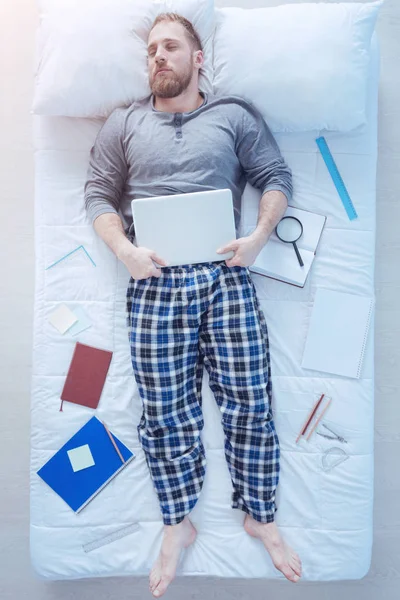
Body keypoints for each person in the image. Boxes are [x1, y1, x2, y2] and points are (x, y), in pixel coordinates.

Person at [84, 12, 302, 597]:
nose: (158, 56)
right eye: (151, 49)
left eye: (170, 46)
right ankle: (177, 521)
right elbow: (99, 194)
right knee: (165, 414)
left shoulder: (233, 115)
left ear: (197, 58)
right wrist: (124, 250)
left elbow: (276, 176)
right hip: (153, 279)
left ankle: (259, 513)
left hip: (226, 274)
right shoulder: (124, 121)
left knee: (249, 400)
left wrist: (257, 239)